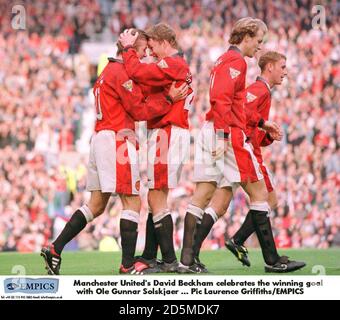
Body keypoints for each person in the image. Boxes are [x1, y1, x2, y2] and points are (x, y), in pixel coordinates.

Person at [40, 29, 188, 275]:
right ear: (129, 49)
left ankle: (55, 248)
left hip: (99, 138)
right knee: (132, 201)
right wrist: (169, 100)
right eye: (141, 51)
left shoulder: (106, 71)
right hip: (117, 139)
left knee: (96, 205)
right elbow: (140, 111)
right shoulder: (121, 72)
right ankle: (128, 265)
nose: (142, 57)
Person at [179, 18, 305, 273]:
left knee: (203, 197)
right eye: (258, 41)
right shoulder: (236, 62)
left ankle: (186, 261)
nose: (259, 47)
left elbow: (234, 104)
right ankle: (272, 260)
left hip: (212, 129)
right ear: (246, 36)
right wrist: (226, 136)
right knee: (262, 195)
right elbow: (222, 99)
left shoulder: (222, 59)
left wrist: (261, 123)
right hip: (228, 134)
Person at [119, 23, 194, 273]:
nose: (150, 52)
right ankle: (152, 255)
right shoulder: (176, 66)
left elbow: (139, 73)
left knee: (156, 197)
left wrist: (128, 50)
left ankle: (171, 261)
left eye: (152, 46)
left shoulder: (173, 63)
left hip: (168, 132)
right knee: (156, 196)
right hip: (167, 132)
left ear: (164, 42)